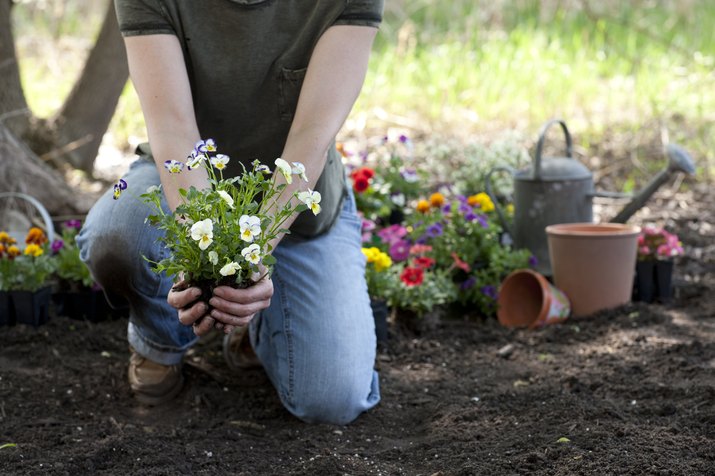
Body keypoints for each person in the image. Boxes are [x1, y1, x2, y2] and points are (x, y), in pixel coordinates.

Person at [77, 0, 384, 425]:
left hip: (294, 206)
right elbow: (172, 129)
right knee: (115, 234)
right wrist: (207, 261)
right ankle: (159, 344)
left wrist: (249, 261)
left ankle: (253, 328)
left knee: (332, 399)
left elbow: (311, 137)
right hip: (182, 177)